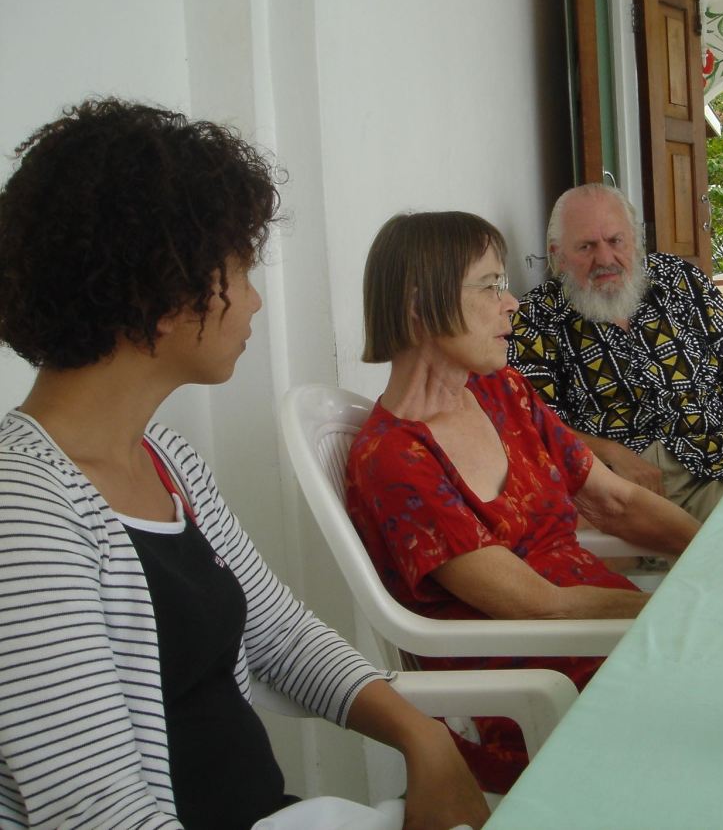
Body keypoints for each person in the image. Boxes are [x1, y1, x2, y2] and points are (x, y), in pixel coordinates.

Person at [0, 99, 487, 830]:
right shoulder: (25, 512)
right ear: (164, 293)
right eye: (240, 268)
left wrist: (423, 737)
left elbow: (280, 635)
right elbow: (95, 814)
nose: (256, 301)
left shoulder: (165, 462)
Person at [344, 210, 700, 792]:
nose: (513, 303)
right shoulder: (393, 459)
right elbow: (539, 606)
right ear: (418, 304)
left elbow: (612, 500)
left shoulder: (500, 389)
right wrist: (687, 612)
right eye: (490, 285)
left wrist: (715, 558)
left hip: (609, 637)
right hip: (538, 683)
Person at [509, 184, 723, 523]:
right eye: (586, 247)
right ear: (558, 255)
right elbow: (531, 421)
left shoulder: (677, 280)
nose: (605, 259)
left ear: (635, 241)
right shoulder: (536, 318)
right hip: (622, 488)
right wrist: (609, 454)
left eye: (615, 241)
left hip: (719, 463)